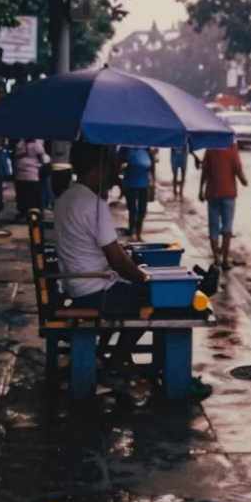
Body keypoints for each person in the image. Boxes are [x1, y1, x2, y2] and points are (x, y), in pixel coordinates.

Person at [53, 141, 150, 371]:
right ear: (98, 169)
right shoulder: (94, 205)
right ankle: (116, 361)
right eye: (107, 168)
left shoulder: (65, 198)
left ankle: (109, 355)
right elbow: (116, 259)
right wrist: (143, 279)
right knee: (148, 298)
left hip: (75, 286)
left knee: (129, 290)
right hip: (93, 291)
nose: (109, 174)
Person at [199, 141, 248, 272]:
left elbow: (205, 170)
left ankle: (216, 258)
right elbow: (237, 168)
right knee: (227, 228)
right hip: (228, 193)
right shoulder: (232, 148)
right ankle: (225, 260)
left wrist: (201, 189)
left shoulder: (210, 148)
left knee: (213, 227)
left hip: (212, 193)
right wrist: (244, 180)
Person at [118, 145, 155, 240]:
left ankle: (138, 233)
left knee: (142, 210)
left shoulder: (146, 147)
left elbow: (152, 165)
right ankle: (132, 232)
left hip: (143, 183)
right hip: (130, 182)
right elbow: (118, 160)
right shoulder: (126, 147)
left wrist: (152, 183)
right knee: (133, 209)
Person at [13, 138, 49, 219]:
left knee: (23, 197)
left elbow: (15, 157)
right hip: (33, 175)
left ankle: (23, 214)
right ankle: (35, 216)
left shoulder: (20, 143)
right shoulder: (37, 144)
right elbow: (44, 159)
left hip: (20, 175)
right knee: (35, 198)